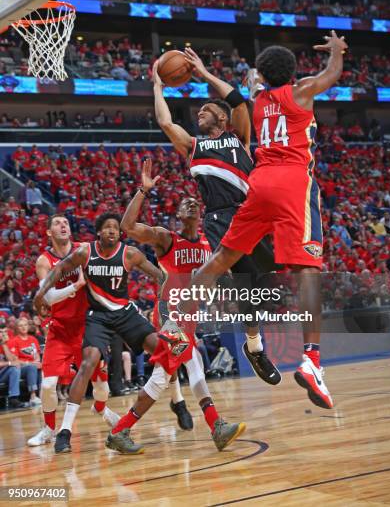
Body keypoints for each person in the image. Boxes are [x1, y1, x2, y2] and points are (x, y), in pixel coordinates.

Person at [182, 31, 349, 410]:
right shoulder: (301, 91)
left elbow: (236, 91)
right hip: (292, 181)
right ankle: (312, 360)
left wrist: (207, 73)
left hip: (259, 183)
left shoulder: (257, 100)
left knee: (223, 257)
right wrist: (337, 49)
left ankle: (180, 313)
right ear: (292, 73)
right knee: (308, 268)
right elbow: (332, 74)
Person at [153, 50, 282, 386]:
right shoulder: (193, 145)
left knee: (256, 293)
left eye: (207, 110)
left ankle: (254, 347)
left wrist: (203, 72)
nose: (200, 113)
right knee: (221, 277)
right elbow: (166, 123)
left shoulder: (239, 136)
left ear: (222, 119)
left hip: (252, 215)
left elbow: (239, 101)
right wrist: (157, 86)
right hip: (219, 220)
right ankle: (176, 318)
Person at [105, 162, 245, 452]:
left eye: (195, 202)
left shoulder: (210, 245)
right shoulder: (166, 238)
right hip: (170, 314)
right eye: (185, 203)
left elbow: (221, 276)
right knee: (165, 374)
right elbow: (128, 227)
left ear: (201, 214)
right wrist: (144, 190)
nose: (191, 204)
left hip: (190, 318)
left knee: (191, 368)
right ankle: (121, 431)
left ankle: (215, 426)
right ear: (178, 215)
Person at [28, 213, 119, 447]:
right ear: (49, 232)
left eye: (66, 223)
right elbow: (48, 297)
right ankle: (49, 428)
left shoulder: (84, 250)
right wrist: (76, 286)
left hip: (89, 327)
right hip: (60, 328)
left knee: (102, 386)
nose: (63, 225)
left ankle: (100, 407)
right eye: (57, 223)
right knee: (48, 385)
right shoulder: (44, 261)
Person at [9, 317, 42, 406]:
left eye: (25, 325)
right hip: (21, 368)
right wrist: (31, 363)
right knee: (31, 367)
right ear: (17, 328)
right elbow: (15, 360)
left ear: (28, 326)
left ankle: (43, 394)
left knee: (43, 366)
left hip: (32, 365)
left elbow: (37, 355)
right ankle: (33, 396)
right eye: (20, 326)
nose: (23, 327)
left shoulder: (33, 339)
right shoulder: (14, 341)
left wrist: (37, 362)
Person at [0, 322, 28, 409]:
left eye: (5, 332)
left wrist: (4, 344)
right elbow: (10, 362)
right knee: (13, 367)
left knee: (14, 369)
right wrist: (9, 363)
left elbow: (12, 361)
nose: (4, 334)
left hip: (3, 373)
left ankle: (13, 398)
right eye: (1, 332)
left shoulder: (5, 344)